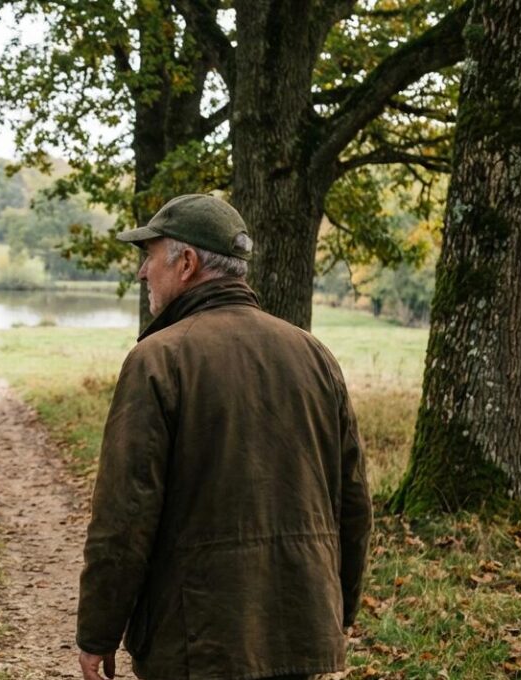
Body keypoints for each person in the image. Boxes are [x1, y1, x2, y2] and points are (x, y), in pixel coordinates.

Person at [76, 194, 372, 680]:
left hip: (198, 643)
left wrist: (98, 633)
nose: (142, 273)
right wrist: (335, 613)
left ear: (187, 262)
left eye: (149, 257)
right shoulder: (315, 355)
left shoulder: (158, 359)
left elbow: (124, 517)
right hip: (304, 629)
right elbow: (355, 506)